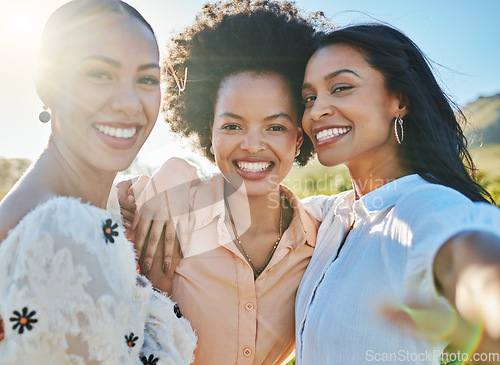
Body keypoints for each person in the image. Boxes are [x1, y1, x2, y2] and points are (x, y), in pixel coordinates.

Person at [119, 1, 326, 364]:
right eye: (232, 126)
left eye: (275, 127)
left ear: (298, 138)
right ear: (208, 133)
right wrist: (173, 168)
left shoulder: (321, 243)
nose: (252, 144)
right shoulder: (161, 204)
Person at [0, 1, 196, 363]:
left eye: (147, 79)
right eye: (99, 74)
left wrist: (179, 169)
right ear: (48, 84)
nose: (128, 102)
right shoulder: (62, 230)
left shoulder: (96, 207)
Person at [295, 24, 500, 364]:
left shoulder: (427, 205)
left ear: (399, 100)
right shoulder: (332, 214)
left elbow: (469, 251)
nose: (317, 111)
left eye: (341, 88)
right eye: (309, 98)